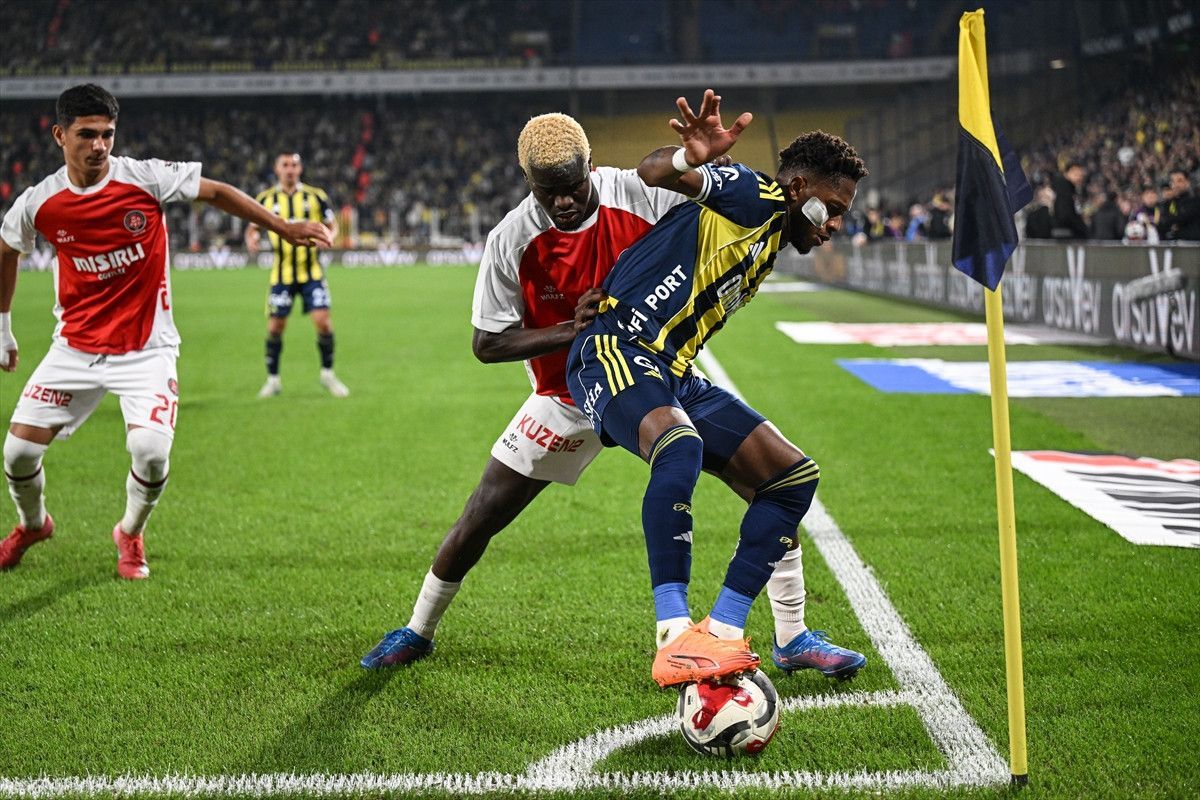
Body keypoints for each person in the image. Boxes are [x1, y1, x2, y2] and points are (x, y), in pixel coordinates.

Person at [361, 113, 863, 683]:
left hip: (660, 372)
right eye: (548, 192)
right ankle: (418, 628)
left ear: (592, 168)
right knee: (484, 513)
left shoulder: (636, 194)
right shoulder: (511, 238)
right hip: (573, 385)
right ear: (529, 185)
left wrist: (702, 162)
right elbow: (486, 342)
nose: (564, 201)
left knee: (779, 478)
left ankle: (787, 634)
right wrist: (567, 329)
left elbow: (692, 188)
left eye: (573, 187)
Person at [565, 90, 868, 688]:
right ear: (799, 187)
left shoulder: (771, 239)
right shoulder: (756, 195)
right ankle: (674, 635)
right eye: (831, 208)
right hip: (616, 349)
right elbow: (654, 172)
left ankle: (750, 634)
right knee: (679, 445)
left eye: (843, 215)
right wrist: (690, 158)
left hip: (672, 370)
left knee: (790, 478)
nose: (835, 225)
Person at [0, 84, 332, 578]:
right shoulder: (40, 202)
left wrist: (281, 226)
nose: (99, 145)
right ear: (59, 136)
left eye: (107, 134)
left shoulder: (145, 178)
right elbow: (7, 248)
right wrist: (4, 328)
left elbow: (216, 192)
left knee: (151, 453)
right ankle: (33, 525)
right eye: (86, 134)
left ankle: (130, 532)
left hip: (147, 349)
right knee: (18, 453)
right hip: (75, 347)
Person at [245, 152, 347, 398]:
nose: (290, 169)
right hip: (282, 275)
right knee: (275, 327)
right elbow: (252, 227)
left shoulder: (315, 196)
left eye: (294, 165)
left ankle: (328, 374)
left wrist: (329, 237)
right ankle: (273, 380)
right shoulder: (265, 198)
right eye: (285, 165)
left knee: (323, 323)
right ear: (277, 169)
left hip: (312, 273)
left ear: (300, 169)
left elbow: (333, 225)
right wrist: (252, 238)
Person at [1158, 168, 1200, 241]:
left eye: (1180, 181)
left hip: (1192, 244)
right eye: (1173, 181)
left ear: (1187, 182)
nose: (1176, 185)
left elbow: (1183, 217)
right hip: (1174, 244)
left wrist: (1173, 222)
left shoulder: (1195, 200)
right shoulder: (1168, 203)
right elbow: (1162, 224)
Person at [1050, 161, 1088, 239]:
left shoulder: (1070, 189)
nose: (1080, 178)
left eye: (1081, 176)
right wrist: (1081, 227)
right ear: (1069, 172)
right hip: (1065, 234)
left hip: (1065, 231)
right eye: (1077, 174)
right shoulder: (1064, 189)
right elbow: (1065, 214)